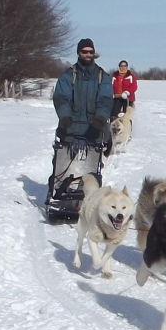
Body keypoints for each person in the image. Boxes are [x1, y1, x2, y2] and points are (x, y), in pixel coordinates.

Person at [46, 38, 113, 207]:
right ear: (78, 53)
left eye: (91, 52)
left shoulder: (101, 76)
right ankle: (58, 190)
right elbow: (62, 97)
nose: (88, 54)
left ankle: (90, 197)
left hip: (93, 130)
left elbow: (105, 99)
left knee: (92, 167)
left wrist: (100, 118)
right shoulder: (69, 75)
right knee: (62, 164)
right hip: (71, 128)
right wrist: (65, 116)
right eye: (85, 51)